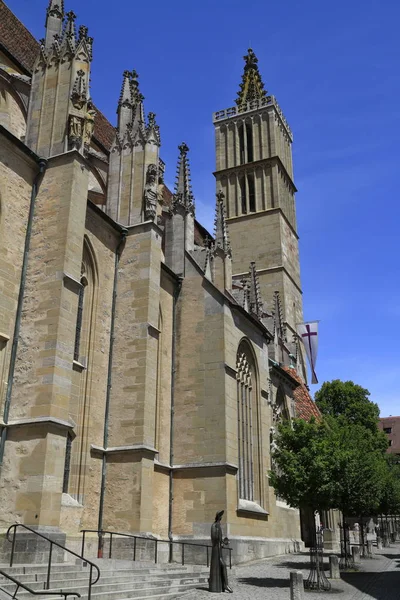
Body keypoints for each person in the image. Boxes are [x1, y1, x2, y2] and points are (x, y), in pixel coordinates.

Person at [209, 510, 233, 593]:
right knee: (223, 565)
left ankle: (224, 584)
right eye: (220, 516)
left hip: (219, 550)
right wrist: (220, 542)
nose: (221, 518)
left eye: (221, 517)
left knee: (222, 566)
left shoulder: (218, 526)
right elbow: (214, 538)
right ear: (218, 517)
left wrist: (224, 542)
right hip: (216, 550)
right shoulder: (214, 526)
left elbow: (219, 540)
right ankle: (225, 585)